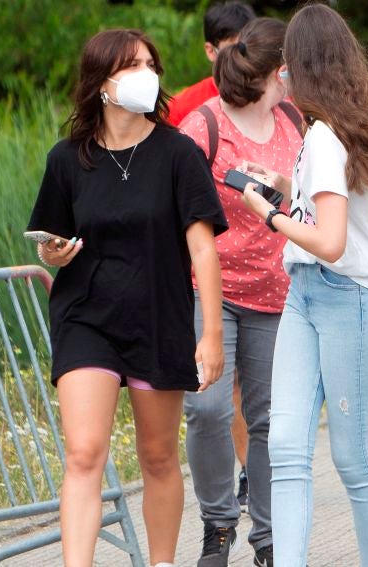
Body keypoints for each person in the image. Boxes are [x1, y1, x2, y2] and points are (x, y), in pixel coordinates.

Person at [26, 29, 227, 567]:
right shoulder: (66, 159)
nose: (147, 75)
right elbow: (50, 242)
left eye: (150, 65)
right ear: (101, 83)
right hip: (85, 318)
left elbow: (203, 251)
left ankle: (161, 562)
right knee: (83, 453)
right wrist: (52, 253)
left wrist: (210, 334)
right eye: (132, 66)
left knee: (158, 456)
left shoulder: (178, 153)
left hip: (158, 317)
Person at [238, 5, 368, 564]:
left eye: (286, 63)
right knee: (285, 447)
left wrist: (267, 214)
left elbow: (331, 241)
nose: (281, 75)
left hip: (352, 298)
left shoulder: (325, 135)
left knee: (353, 459)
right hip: (305, 293)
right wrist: (282, 184)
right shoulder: (330, 129)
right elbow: (327, 204)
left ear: (301, 66)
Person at [178, 17, 303, 567]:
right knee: (206, 408)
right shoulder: (203, 126)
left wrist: (283, 188)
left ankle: (271, 538)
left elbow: (315, 197)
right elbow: (176, 209)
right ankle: (219, 524)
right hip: (212, 290)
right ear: (280, 70)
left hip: (277, 293)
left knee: (269, 419)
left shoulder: (294, 118)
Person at [166, 0, 256, 513]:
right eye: (230, 49)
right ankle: (225, 493)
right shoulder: (186, 107)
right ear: (209, 51)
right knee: (212, 391)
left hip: (261, 266)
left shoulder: (276, 100)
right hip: (203, 265)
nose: (241, 59)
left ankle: (251, 474)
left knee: (248, 388)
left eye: (249, 47)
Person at [167, 2, 256, 127]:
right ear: (211, 51)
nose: (243, 56)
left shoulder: (270, 99)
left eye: (250, 47)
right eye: (234, 48)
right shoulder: (180, 108)